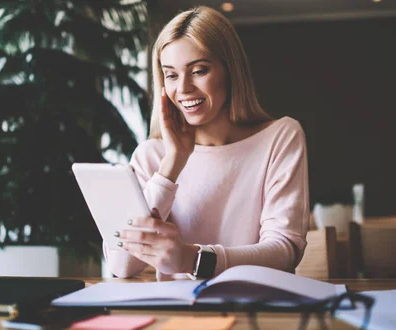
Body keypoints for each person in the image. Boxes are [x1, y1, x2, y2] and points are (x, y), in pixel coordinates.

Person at [104, 6, 309, 280]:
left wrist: (195, 259)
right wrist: (172, 164)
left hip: (255, 309)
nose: (184, 88)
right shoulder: (151, 156)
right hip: (178, 316)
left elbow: (285, 251)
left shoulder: (280, 137)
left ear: (230, 71)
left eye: (199, 70)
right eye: (172, 75)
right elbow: (121, 265)